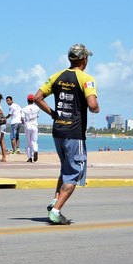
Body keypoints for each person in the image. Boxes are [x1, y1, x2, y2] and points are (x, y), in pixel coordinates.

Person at [34, 44, 99, 225]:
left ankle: (55, 200)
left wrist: (53, 114)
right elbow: (92, 105)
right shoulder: (86, 79)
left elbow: (37, 97)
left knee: (65, 168)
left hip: (58, 130)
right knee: (74, 173)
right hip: (74, 132)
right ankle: (56, 211)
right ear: (84, 59)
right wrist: (96, 108)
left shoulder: (57, 76)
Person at [21, 94, 40, 162]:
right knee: (34, 141)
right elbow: (37, 116)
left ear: (27, 100)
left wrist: (23, 123)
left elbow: (22, 118)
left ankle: (30, 157)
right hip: (34, 125)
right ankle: (35, 150)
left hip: (27, 125)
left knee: (28, 142)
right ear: (33, 100)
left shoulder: (24, 109)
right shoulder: (37, 108)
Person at [0, 93, 9, 162]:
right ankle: (4, 157)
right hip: (3, 124)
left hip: (0, 125)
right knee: (1, 141)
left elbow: (0, 112)